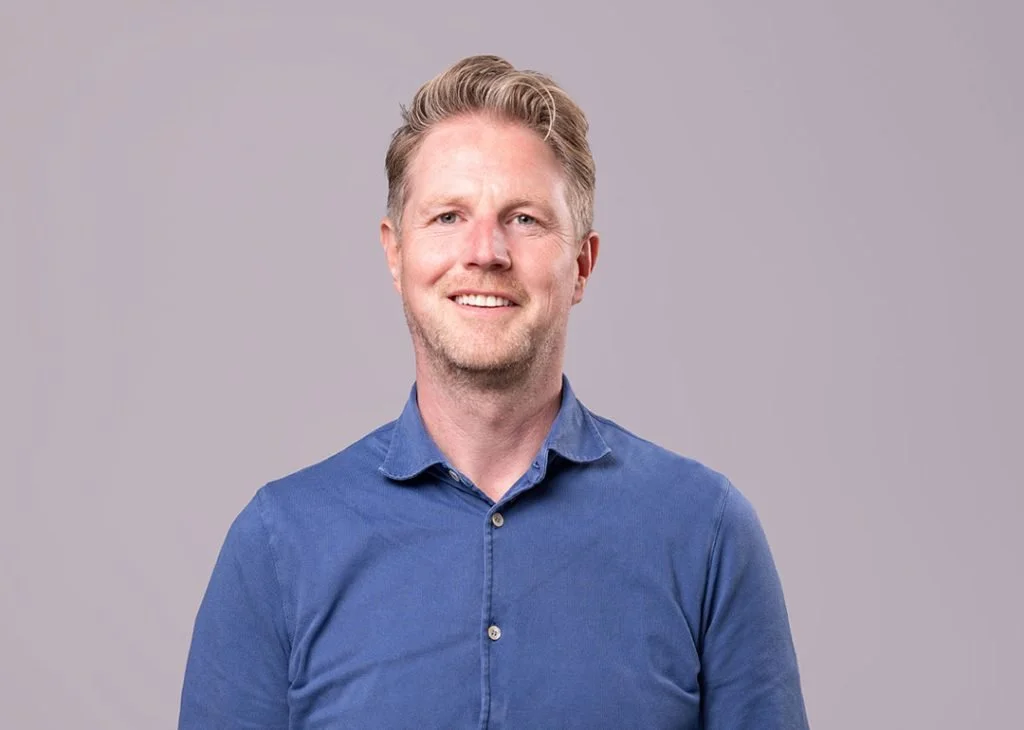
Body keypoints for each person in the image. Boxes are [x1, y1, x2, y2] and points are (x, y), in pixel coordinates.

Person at [178, 54, 809, 729]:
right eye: (448, 216)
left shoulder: (706, 534)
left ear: (582, 264)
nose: (485, 251)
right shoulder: (279, 546)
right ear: (396, 253)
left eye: (525, 220)